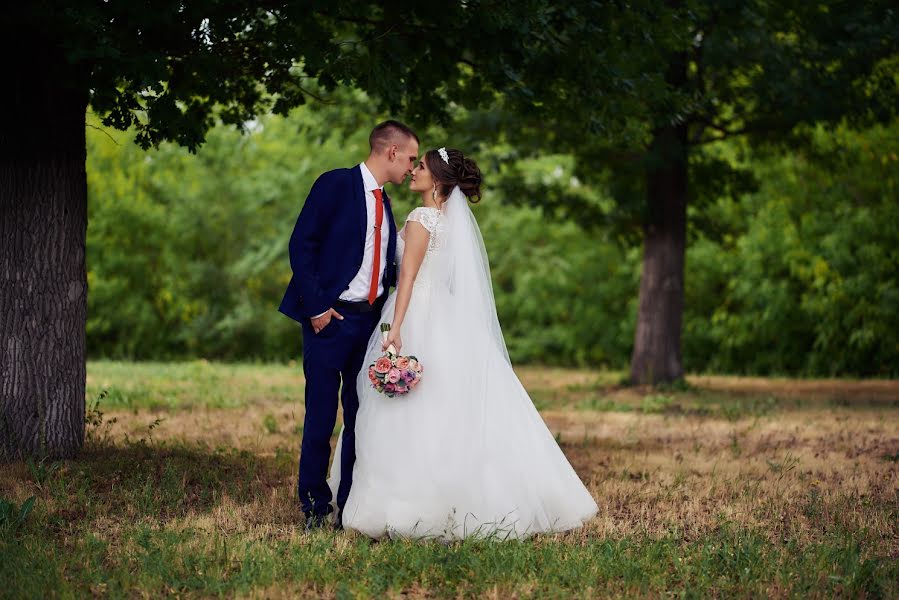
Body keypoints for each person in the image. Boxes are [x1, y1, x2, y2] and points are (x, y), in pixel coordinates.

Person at [329, 147, 598, 540]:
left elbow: (407, 279)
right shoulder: (447, 222)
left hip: (414, 313)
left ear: (437, 180)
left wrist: (396, 328)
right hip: (445, 314)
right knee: (449, 406)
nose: (414, 171)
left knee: (407, 409)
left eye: (420, 167)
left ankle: (404, 505)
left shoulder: (421, 218)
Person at [279, 120, 419, 530]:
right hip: (330, 321)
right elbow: (301, 245)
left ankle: (349, 508)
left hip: (369, 325)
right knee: (321, 417)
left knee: (362, 419)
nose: (412, 167)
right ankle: (314, 508)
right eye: (410, 158)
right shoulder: (336, 184)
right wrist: (317, 308)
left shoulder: (387, 202)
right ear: (390, 151)